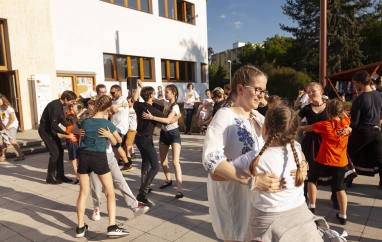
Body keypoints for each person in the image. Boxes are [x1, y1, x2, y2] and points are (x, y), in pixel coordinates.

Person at [202, 65, 308, 242]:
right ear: (240, 88)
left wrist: (303, 164)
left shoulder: (259, 117)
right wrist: (252, 180)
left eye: (264, 91)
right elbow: (211, 160)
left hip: (260, 204)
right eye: (258, 89)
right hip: (235, 198)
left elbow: (290, 142)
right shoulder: (224, 116)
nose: (262, 95)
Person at [230, 106, 326, 241]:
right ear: (294, 133)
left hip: (266, 222)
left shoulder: (253, 158)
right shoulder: (296, 152)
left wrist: (252, 181)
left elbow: (216, 173)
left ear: (265, 129)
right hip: (301, 219)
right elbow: (302, 154)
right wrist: (305, 163)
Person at [70, 95, 129, 238]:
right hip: (99, 158)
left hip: (84, 157)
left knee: (83, 193)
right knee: (109, 192)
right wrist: (109, 135)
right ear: (108, 108)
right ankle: (112, 226)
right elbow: (118, 142)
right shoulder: (106, 123)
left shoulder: (84, 120)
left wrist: (81, 132)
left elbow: (72, 130)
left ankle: (79, 228)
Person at [298, 82, 356, 208]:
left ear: (321, 91)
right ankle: (305, 197)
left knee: (333, 170)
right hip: (312, 142)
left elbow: (346, 120)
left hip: (330, 142)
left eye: (313, 91)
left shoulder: (330, 106)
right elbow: (297, 125)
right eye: (308, 92)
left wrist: (349, 129)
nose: (311, 94)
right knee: (309, 169)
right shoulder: (306, 109)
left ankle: (335, 197)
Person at [300, 99, 350, 225]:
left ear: (327, 110)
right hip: (340, 161)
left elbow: (305, 128)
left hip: (324, 158)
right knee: (339, 188)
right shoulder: (346, 123)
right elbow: (345, 116)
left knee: (311, 179)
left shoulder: (324, 124)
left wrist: (295, 127)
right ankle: (343, 215)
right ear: (341, 111)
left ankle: (312, 206)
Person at [143, 84, 184, 199]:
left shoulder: (175, 107)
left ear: (173, 93)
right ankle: (168, 180)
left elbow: (167, 120)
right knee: (163, 162)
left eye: (167, 92)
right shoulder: (166, 103)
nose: (164, 94)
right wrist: (142, 87)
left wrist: (152, 117)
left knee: (175, 162)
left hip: (174, 134)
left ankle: (179, 190)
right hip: (163, 134)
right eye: (165, 92)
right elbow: (153, 98)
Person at [132, 80, 168, 205]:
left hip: (139, 138)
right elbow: (167, 120)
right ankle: (142, 193)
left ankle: (144, 186)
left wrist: (138, 87)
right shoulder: (152, 110)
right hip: (146, 140)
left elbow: (134, 98)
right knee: (155, 167)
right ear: (151, 95)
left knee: (145, 162)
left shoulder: (139, 106)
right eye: (153, 93)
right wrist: (177, 115)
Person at [347, 70, 382, 189]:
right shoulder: (379, 95)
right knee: (380, 158)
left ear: (360, 83)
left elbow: (355, 122)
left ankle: (348, 179)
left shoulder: (359, 99)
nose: (354, 86)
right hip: (378, 131)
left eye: (355, 83)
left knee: (348, 154)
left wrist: (348, 129)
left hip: (363, 131)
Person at [38, 90, 77, 184]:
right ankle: (50, 177)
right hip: (46, 131)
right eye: (71, 101)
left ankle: (60, 175)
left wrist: (73, 126)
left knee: (60, 152)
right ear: (66, 99)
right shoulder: (55, 105)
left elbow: (62, 120)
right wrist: (66, 134)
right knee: (55, 153)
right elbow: (53, 124)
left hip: (51, 130)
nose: (72, 103)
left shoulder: (62, 106)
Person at [108, 85, 131, 172]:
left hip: (120, 127)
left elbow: (112, 111)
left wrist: (109, 108)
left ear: (119, 91)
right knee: (117, 147)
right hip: (115, 126)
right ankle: (126, 164)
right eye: (111, 92)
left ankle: (117, 166)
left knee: (116, 147)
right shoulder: (116, 100)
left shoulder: (123, 100)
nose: (112, 94)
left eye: (113, 92)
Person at [0, 94, 25, 162]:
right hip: (5, 127)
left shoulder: (9, 108)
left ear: (3, 100)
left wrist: (7, 126)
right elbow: (1, 118)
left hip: (12, 126)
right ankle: (3, 156)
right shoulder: (0, 109)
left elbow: (12, 118)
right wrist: (2, 125)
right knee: (4, 141)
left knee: (11, 140)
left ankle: (21, 155)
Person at [65, 114, 80, 185]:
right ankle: (82, 177)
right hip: (78, 144)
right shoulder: (78, 126)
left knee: (73, 163)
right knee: (79, 162)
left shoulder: (69, 127)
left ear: (69, 121)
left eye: (67, 121)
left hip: (72, 145)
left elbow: (68, 135)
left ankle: (78, 178)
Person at [123, 96, 137, 170]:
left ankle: (129, 161)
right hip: (127, 128)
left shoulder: (133, 110)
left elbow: (125, 113)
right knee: (129, 143)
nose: (128, 103)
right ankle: (133, 154)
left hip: (132, 129)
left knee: (128, 143)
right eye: (127, 101)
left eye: (129, 102)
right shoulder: (128, 109)